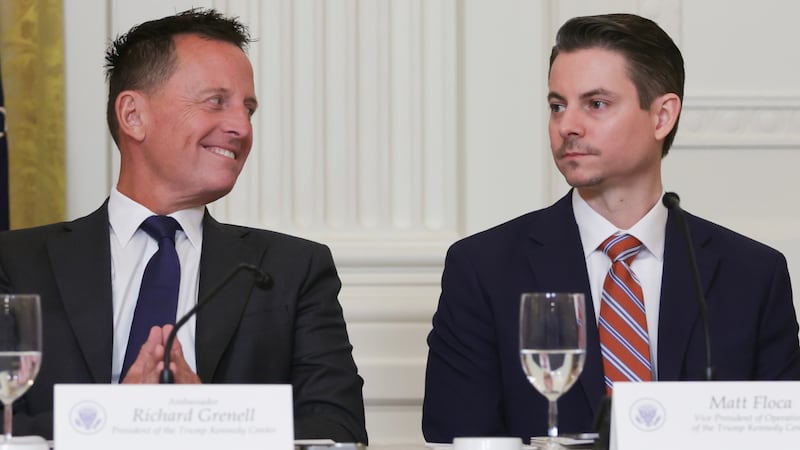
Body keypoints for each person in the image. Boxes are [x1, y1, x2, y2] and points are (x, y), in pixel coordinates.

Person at [422, 13, 800, 442]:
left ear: (662, 116)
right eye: (557, 106)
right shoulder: (483, 269)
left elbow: (780, 437)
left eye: (596, 104)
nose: (568, 126)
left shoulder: (752, 275)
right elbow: (456, 435)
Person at [0, 8, 367, 443]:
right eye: (217, 101)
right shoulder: (15, 262)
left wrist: (208, 419)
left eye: (248, 108)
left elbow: (340, 430)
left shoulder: (294, 268)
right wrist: (117, 418)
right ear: (133, 115)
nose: (241, 126)